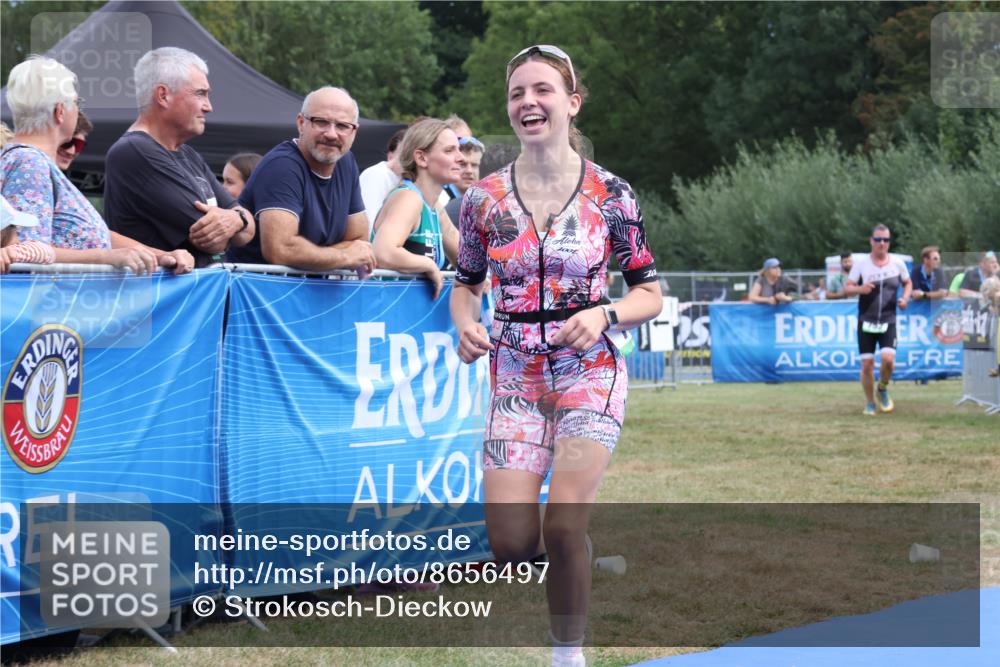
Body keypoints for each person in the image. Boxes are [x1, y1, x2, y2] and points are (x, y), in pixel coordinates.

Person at [450, 44, 662, 667]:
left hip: (589, 370)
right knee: (512, 545)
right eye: (517, 93)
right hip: (514, 369)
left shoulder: (611, 194)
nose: (527, 102)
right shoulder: (482, 199)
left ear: (571, 103)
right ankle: (578, 559)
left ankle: (567, 655)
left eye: (541, 90)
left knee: (563, 526)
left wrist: (604, 313)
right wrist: (466, 323)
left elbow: (649, 292)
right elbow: (466, 285)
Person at [1, 56, 193, 275]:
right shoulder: (29, 164)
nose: (78, 110)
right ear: (60, 111)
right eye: (76, 103)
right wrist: (107, 258)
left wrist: (160, 256)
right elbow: (25, 252)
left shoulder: (31, 162)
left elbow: (97, 234)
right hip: (57, 305)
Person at [104, 47, 255, 267]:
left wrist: (236, 219)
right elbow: (212, 238)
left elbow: (246, 229)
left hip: (199, 294)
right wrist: (235, 221)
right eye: (200, 93)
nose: (209, 107)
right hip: (164, 297)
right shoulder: (135, 152)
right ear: (163, 95)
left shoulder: (188, 154)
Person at [230, 86, 376, 272]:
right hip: (259, 293)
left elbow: (359, 240)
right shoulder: (282, 165)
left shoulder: (346, 161)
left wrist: (316, 255)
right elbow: (281, 250)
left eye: (342, 126)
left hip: (307, 292)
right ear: (301, 123)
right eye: (321, 122)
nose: (331, 134)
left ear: (354, 132)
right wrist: (345, 256)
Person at [371, 119, 461, 299]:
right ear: (421, 158)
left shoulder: (434, 205)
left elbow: (466, 258)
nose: (461, 157)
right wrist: (428, 265)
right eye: (449, 150)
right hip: (387, 313)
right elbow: (383, 253)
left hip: (410, 315)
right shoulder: (409, 198)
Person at [845, 225, 912, 416]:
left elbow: (908, 283)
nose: (882, 243)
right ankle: (869, 402)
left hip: (888, 319)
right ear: (871, 241)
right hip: (866, 320)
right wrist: (860, 289)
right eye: (878, 239)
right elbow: (848, 287)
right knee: (867, 365)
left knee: (888, 361)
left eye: (886, 240)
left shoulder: (898, 263)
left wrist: (905, 298)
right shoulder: (861, 264)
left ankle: (882, 388)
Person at [359, 128, 406, 234]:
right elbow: (369, 224)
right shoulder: (376, 174)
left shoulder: (405, 179)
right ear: (390, 156)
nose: (408, 158)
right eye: (404, 153)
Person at [1, 196, 54, 273]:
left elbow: (48, 252)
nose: (17, 241)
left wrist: (12, 252)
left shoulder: (16, 251)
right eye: (12, 227)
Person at [444, 135, 485, 225]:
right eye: (463, 164)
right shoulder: (439, 199)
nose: (469, 171)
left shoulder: (486, 202)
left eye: (474, 165)